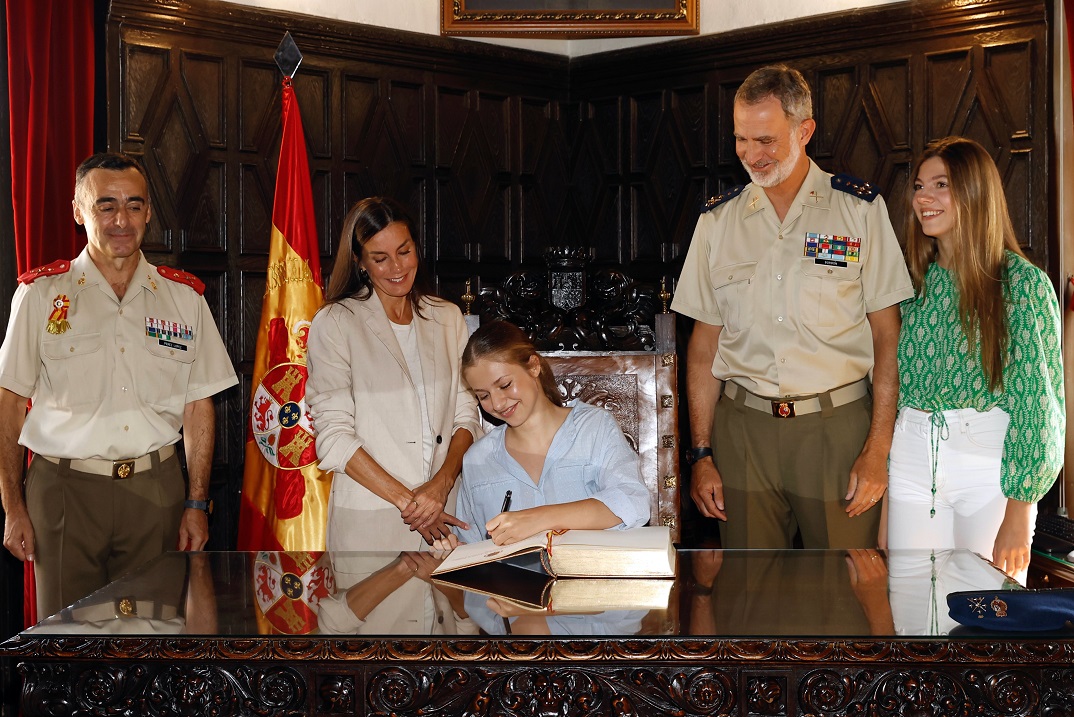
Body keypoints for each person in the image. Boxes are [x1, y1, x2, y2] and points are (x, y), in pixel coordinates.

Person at [672, 64, 914, 549]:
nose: (750, 155)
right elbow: (702, 349)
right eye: (741, 139)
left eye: (765, 140)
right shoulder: (717, 222)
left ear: (805, 131)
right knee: (747, 599)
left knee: (846, 597)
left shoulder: (858, 210)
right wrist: (701, 454)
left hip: (838, 432)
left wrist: (878, 449)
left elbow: (890, 338)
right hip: (743, 435)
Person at [0, 152, 238, 619]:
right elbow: (9, 405)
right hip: (66, 492)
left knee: (153, 640)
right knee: (67, 645)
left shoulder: (183, 298)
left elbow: (198, 407)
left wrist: (196, 502)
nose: (121, 220)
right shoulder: (42, 296)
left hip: (156, 495)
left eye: (133, 205)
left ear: (149, 211)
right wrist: (12, 505)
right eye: (105, 206)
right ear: (78, 211)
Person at [886, 136, 1064, 580]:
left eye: (940, 185)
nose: (923, 198)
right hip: (910, 456)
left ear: (975, 192)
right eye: (919, 186)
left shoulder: (1021, 285)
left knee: (985, 617)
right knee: (910, 620)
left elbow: (1040, 406)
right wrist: (887, 504)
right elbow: (892, 393)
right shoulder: (909, 287)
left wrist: (1021, 512)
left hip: (987, 466)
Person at [305, 196, 481, 551]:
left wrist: (442, 485)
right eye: (380, 258)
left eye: (404, 251)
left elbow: (467, 416)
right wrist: (410, 503)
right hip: (373, 519)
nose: (396, 268)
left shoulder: (447, 318)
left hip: (447, 513)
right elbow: (334, 435)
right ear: (360, 262)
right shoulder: (336, 322)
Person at [437, 319, 650, 549]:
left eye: (505, 385)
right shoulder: (477, 459)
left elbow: (633, 501)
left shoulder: (593, 428)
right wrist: (453, 554)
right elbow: (472, 551)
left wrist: (539, 518)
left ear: (533, 367)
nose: (497, 403)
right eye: (484, 396)